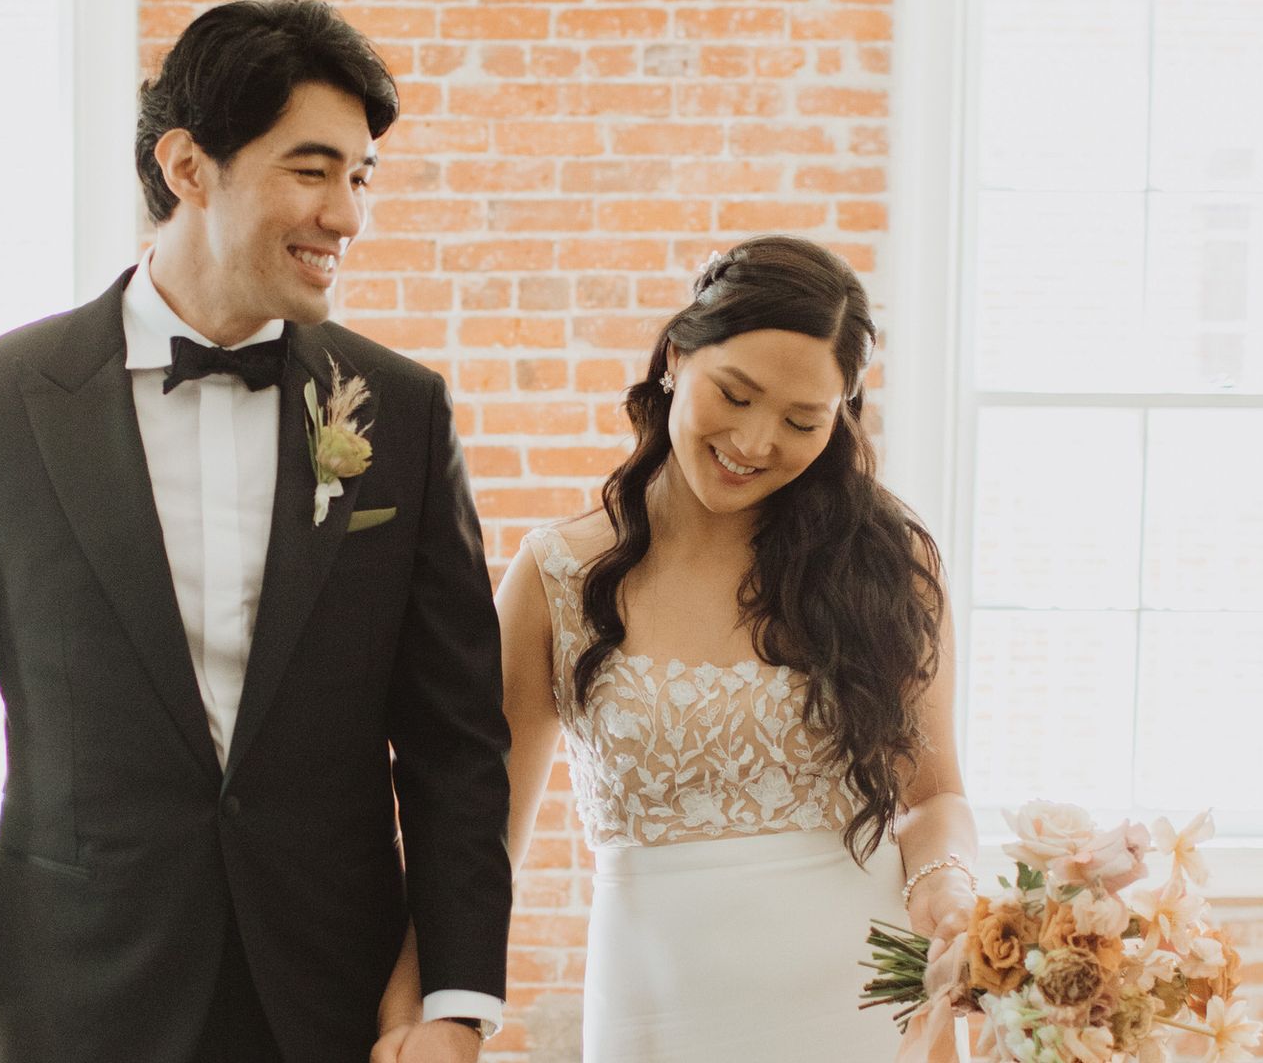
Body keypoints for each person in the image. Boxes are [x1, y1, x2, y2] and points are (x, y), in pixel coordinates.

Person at [0, 0, 511, 1063]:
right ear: (188, 166)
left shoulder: (400, 409)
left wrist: (456, 997)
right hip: (79, 995)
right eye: (311, 169)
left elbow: (456, 745)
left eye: (361, 177)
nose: (346, 215)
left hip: (336, 999)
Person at [394, 235, 978, 1059]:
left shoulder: (890, 567)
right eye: (734, 395)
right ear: (675, 357)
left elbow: (934, 796)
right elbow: (473, 836)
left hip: (864, 1008)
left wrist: (945, 886)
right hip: (657, 1013)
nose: (756, 440)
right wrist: (429, 1016)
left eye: (802, 420)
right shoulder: (558, 575)